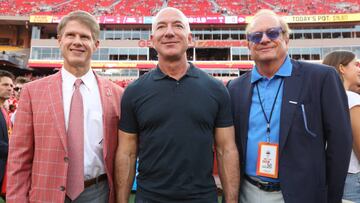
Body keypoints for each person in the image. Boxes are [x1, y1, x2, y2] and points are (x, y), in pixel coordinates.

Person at [115, 7, 239, 203]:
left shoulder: (216, 89)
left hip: (202, 197)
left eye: (178, 26)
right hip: (150, 198)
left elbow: (226, 150)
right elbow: (127, 153)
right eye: (162, 27)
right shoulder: (134, 92)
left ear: (190, 39)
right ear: (152, 40)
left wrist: (231, 200)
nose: (170, 32)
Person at [227, 9, 352, 203]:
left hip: (301, 194)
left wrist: (332, 197)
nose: (265, 39)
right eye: (256, 36)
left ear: (286, 39)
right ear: (248, 45)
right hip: (248, 191)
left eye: (273, 33)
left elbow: (340, 143)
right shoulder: (236, 87)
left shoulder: (321, 78)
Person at [6, 10, 123, 203]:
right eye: (71, 35)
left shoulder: (117, 94)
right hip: (46, 192)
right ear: (59, 41)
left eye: (85, 36)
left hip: (98, 192)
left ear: (96, 45)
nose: (77, 41)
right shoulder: (32, 92)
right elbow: (19, 156)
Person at [323, 50, 360, 203]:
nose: (359, 68)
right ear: (342, 68)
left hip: (331, 174)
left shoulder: (325, 96)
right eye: (355, 64)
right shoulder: (350, 98)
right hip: (352, 176)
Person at [0, 70, 13, 198]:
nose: (10, 88)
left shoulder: (3, 110)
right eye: (5, 85)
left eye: (11, 86)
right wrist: (15, 149)